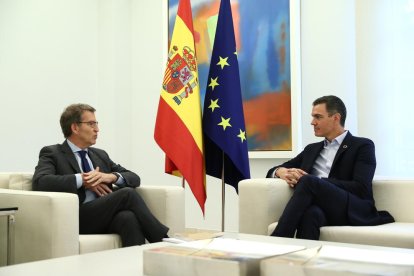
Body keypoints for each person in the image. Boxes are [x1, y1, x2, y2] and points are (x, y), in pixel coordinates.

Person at [33, 103, 169, 246]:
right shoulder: (52, 153)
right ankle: (163, 241)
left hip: (102, 215)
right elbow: (41, 182)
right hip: (77, 217)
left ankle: (135, 265)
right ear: (75, 128)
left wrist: (110, 176)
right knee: (126, 194)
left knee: (127, 217)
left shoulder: (100, 155)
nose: (97, 129)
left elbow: (134, 178)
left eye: (96, 124)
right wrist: (83, 179)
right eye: (91, 124)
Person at [267, 95, 394, 240]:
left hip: (351, 207)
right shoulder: (311, 149)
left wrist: (318, 182)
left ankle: (279, 238)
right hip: (324, 208)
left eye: (318, 117)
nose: (312, 122)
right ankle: (304, 259)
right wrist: (281, 172)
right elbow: (275, 169)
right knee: (311, 214)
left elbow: (360, 188)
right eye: (313, 117)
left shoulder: (362, 146)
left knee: (308, 181)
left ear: (336, 118)